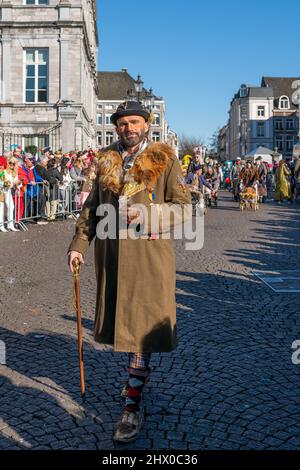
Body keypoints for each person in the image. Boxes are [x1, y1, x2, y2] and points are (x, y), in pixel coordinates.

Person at [67, 100, 191, 443]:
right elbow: (92, 208)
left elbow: (184, 208)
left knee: (142, 328)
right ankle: (137, 380)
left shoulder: (164, 158)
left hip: (149, 258)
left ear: (146, 125)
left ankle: (132, 407)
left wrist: (150, 216)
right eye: (122, 123)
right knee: (127, 325)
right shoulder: (107, 158)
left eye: (134, 122)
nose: (128, 128)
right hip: (112, 256)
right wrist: (79, 245)